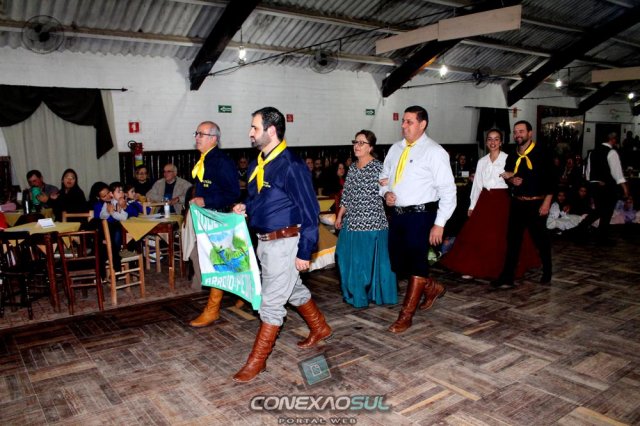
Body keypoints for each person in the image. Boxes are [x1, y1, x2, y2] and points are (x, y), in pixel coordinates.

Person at [232, 106, 330, 383]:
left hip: (286, 242)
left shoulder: (291, 166)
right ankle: (320, 327)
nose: (250, 133)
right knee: (292, 289)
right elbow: (257, 199)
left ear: (271, 130)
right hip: (264, 243)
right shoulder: (258, 164)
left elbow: (310, 212)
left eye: (255, 128)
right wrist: (245, 206)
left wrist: (304, 251)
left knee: (271, 303)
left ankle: (257, 361)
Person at [379, 105, 456, 333]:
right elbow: (383, 178)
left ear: (422, 124)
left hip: (422, 216)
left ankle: (406, 316)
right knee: (398, 263)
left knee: (417, 264)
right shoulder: (395, 149)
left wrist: (439, 224)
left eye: (409, 121)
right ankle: (432, 287)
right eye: (403, 121)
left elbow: (448, 191)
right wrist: (386, 193)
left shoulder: (434, 152)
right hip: (398, 215)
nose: (404, 125)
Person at [440, 129, 541, 280]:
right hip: (485, 201)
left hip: (503, 201)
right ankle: (473, 267)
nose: (493, 142)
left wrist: (513, 177)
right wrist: (472, 206)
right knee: (477, 235)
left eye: (496, 139)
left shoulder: (509, 158)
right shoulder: (482, 162)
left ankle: (505, 268)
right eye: (490, 139)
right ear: (486, 142)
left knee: (501, 236)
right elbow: (477, 185)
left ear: (501, 142)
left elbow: (519, 177)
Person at [335, 130, 397, 308]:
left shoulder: (379, 167)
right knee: (343, 255)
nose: (357, 146)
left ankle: (370, 294)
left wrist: (389, 195)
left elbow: (388, 189)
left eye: (361, 143)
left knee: (365, 263)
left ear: (370, 147)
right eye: (355, 142)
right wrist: (340, 215)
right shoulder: (353, 168)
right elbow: (347, 195)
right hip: (352, 222)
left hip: (373, 223)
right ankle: (357, 293)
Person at [188, 121, 241, 327]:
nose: (197, 137)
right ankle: (244, 294)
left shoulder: (222, 161)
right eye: (196, 133)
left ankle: (212, 310)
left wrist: (206, 200)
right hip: (207, 217)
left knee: (217, 263)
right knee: (226, 262)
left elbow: (233, 193)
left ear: (213, 138)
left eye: (201, 134)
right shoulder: (204, 160)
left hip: (220, 218)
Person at [491, 120, 554, 289]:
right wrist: (512, 180)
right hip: (518, 203)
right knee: (513, 241)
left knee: (540, 240)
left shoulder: (542, 152)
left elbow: (551, 180)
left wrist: (546, 203)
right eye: (515, 132)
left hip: (536, 203)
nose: (517, 135)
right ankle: (507, 277)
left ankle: (547, 270)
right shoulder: (513, 154)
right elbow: (508, 174)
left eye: (521, 131)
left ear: (530, 133)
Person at [577, 132, 629, 244]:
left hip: (595, 185)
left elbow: (588, 172)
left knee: (600, 210)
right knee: (606, 212)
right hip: (608, 186)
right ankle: (596, 234)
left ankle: (588, 230)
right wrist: (625, 188)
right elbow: (617, 173)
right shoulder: (612, 152)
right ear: (612, 139)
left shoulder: (592, 152)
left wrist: (592, 183)